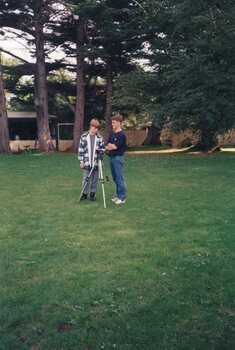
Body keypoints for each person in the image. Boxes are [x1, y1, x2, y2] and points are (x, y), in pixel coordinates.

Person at [78, 119, 105, 201]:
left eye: (97, 128)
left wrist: (101, 152)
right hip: (86, 162)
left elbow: (103, 149)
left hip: (96, 162)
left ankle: (92, 194)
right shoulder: (83, 137)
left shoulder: (100, 137)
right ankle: (84, 194)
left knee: (95, 179)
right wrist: (81, 161)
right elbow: (81, 149)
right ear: (91, 126)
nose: (96, 130)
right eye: (95, 128)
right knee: (85, 178)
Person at [105, 115, 127, 205]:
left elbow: (114, 147)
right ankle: (118, 196)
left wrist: (111, 146)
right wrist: (110, 146)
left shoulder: (122, 135)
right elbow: (107, 146)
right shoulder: (112, 134)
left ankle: (122, 197)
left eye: (114, 122)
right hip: (112, 158)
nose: (112, 124)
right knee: (115, 178)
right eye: (112, 122)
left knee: (119, 178)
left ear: (119, 123)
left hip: (118, 158)